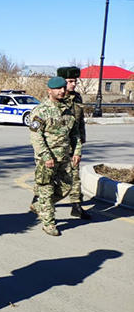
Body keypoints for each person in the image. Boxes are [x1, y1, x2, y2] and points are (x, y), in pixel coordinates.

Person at [29, 76, 82, 236]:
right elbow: (36, 136)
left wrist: (77, 151)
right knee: (46, 189)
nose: (62, 91)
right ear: (49, 91)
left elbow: (75, 134)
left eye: (63, 88)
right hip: (47, 159)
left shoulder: (68, 110)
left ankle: (41, 206)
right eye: (58, 88)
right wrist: (46, 156)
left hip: (64, 158)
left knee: (67, 186)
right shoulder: (40, 111)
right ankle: (49, 223)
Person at [58, 66, 90, 220]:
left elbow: (80, 121)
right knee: (49, 177)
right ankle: (39, 200)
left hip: (73, 142)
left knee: (75, 175)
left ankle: (76, 206)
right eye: (70, 81)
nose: (73, 84)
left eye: (75, 81)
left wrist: (81, 140)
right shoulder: (55, 98)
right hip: (56, 145)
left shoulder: (77, 98)